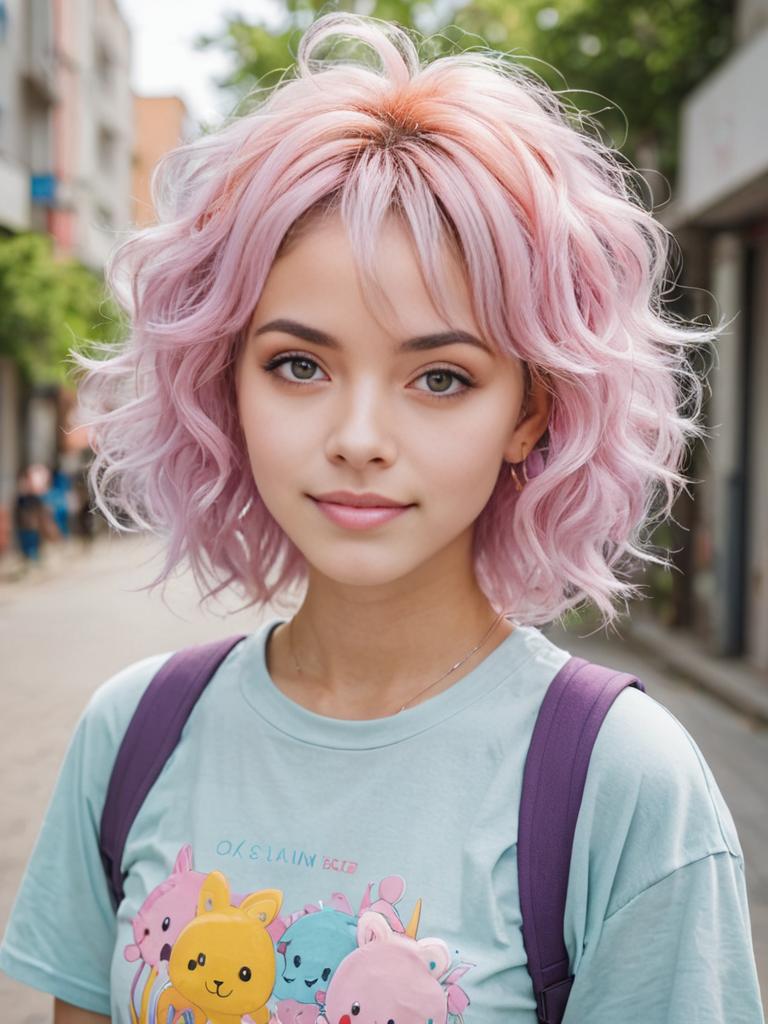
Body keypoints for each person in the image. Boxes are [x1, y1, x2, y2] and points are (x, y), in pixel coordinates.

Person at [0, 12, 763, 1024]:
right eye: (299, 364)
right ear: (225, 383)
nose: (360, 436)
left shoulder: (620, 783)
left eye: (441, 376)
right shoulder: (135, 733)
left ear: (529, 412)